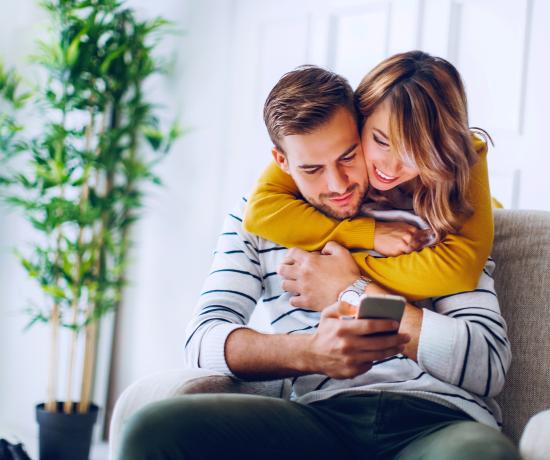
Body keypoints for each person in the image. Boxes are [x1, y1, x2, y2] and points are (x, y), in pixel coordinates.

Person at [116, 63, 519, 459]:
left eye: (348, 157)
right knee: (154, 429)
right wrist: (308, 352)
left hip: (439, 419)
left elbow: (487, 365)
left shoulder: (437, 214)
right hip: (321, 419)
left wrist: (352, 291)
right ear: (282, 161)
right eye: (312, 168)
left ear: (360, 130)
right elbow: (202, 342)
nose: (338, 185)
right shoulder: (256, 221)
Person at [243, 51, 494, 302]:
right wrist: (368, 234)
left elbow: (459, 270)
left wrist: (343, 274)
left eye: (415, 153)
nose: (391, 168)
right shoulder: (326, 141)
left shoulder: (461, 152)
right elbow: (260, 211)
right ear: (361, 116)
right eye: (381, 141)